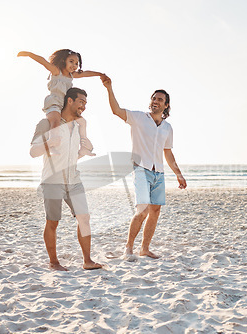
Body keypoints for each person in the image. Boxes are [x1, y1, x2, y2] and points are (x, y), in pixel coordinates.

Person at [101, 75, 187, 260]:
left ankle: (145, 249)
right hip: (141, 169)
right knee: (143, 209)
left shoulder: (167, 127)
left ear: (166, 106)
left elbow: (168, 153)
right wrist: (109, 88)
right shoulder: (139, 118)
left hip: (159, 173)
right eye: (154, 98)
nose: (155, 101)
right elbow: (116, 110)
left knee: (155, 210)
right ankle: (128, 248)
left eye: (160, 99)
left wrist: (178, 174)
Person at [30, 87, 102, 271]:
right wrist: (49, 143)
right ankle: (53, 263)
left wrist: (82, 153)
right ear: (69, 100)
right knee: (53, 222)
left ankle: (87, 260)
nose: (83, 106)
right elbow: (33, 152)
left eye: (85, 103)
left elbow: (70, 157)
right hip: (52, 180)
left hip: (74, 180)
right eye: (81, 102)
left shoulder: (77, 127)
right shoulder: (47, 124)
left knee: (84, 218)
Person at [18, 49, 103, 156]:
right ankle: (52, 145)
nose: (74, 65)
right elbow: (43, 61)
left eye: (76, 63)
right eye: (71, 61)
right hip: (54, 103)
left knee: (82, 122)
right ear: (63, 60)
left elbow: (86, 73)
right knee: (55, 121)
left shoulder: (72, 75)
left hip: (64, 105)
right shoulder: (56, 71)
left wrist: (100, 74)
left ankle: (84, 148)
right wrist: (29, 54)